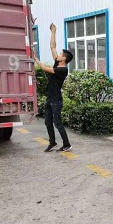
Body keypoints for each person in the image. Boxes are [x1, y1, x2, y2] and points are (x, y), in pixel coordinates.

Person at [33, 23, 73, 152]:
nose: (58, 55)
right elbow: (52, 47)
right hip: (50, 98)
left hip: (56, 100)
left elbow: (44, 68)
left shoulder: (63, 70)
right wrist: (53, 32)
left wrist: (35, 58)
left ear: (64, 59)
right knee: (48, 122)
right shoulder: (58, 63)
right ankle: (52, 142)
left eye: (60, 54)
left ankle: (67, 144)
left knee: (57, 122)